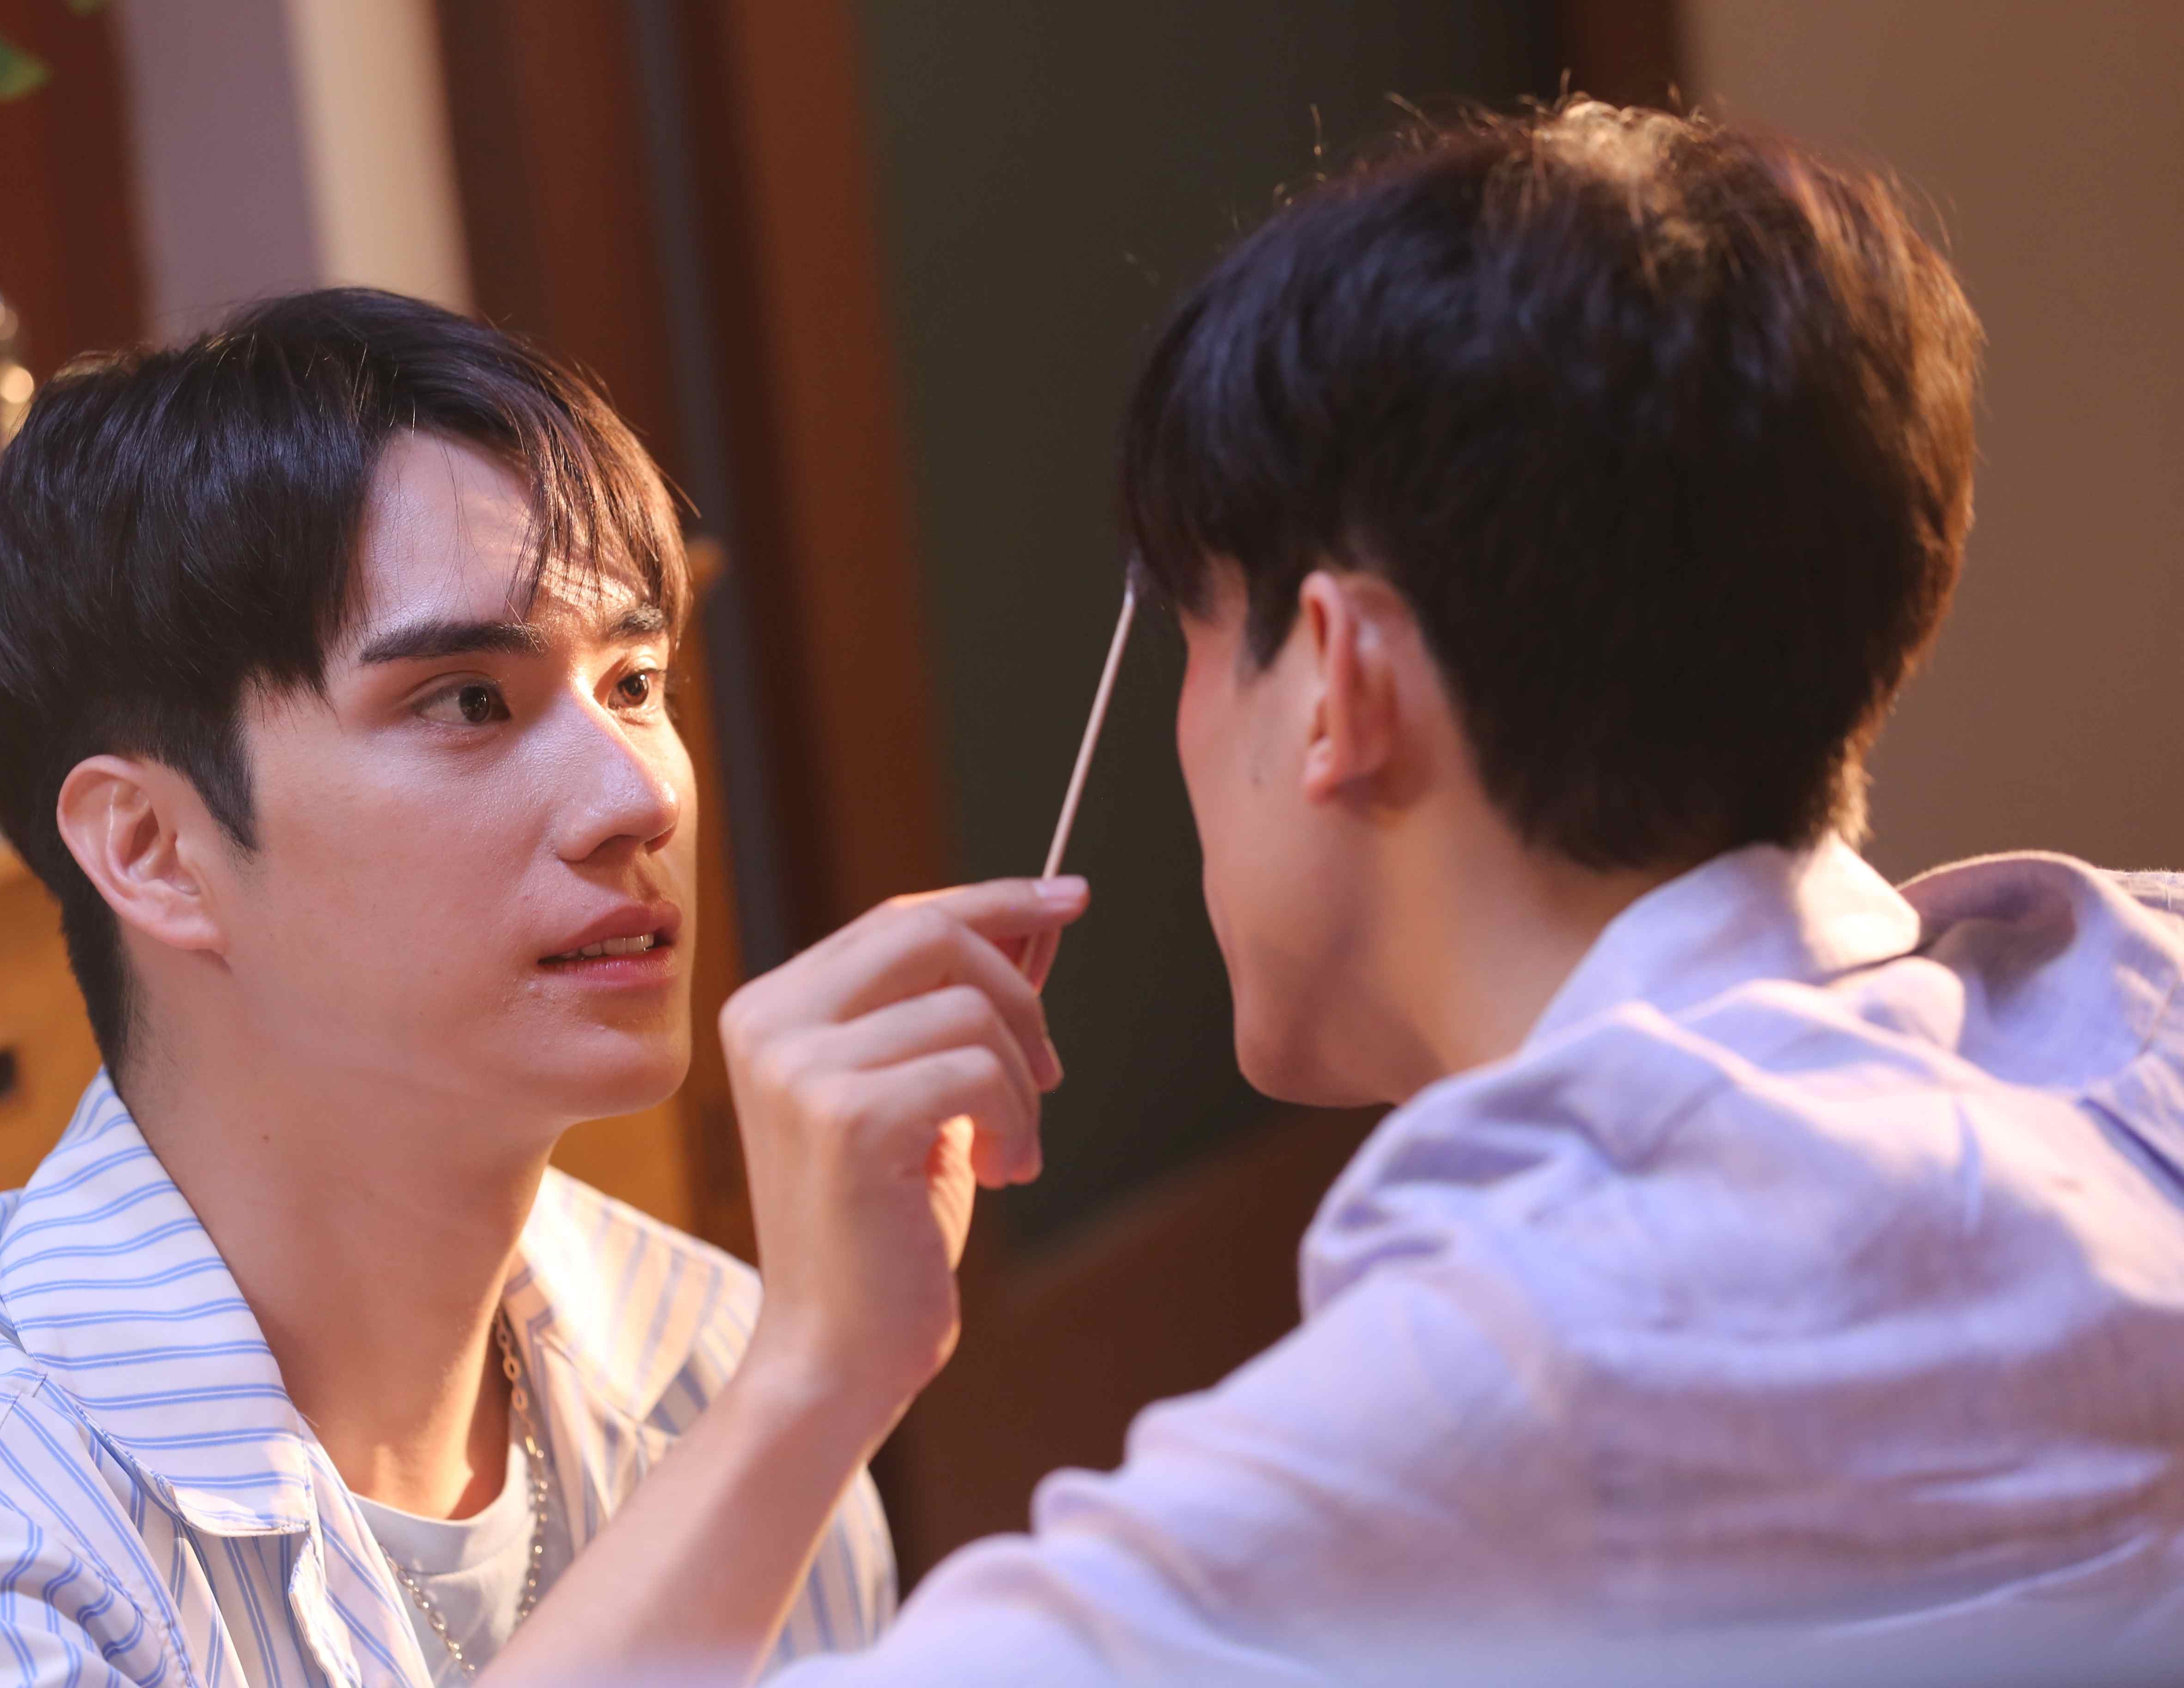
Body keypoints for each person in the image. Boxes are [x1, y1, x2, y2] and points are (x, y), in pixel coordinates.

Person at [726, 99, 2184, 1682]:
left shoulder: (1542, 1355)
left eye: (1198, 637)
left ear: (1338, 678)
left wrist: (806, 1369)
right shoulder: (2143, 982)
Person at [0, 289, 1089, 1687]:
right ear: (152, 850)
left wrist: (794, 1390)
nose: (640, 797)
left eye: (636, 682)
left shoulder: (709, 1355)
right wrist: (804, 1397)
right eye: (469, 701)